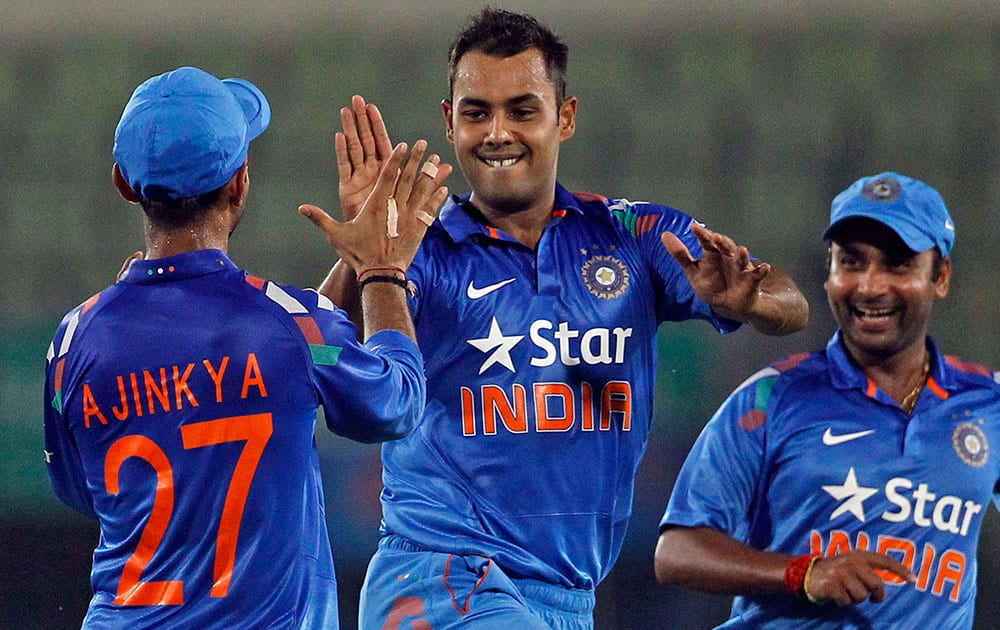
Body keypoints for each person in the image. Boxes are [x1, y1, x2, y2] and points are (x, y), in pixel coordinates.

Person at [321, 8, 809, 629]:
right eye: (477, 112)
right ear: (450, 122)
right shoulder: (421, 251)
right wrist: (362, 257)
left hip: (567, 599)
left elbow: (792, 305)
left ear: (565, 118)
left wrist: (750, 300)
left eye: (522, 110)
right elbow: (324, 360)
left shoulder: (631, 236)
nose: (498, 132)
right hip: (443, 579)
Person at [42, 65, 451, 628]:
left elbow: (83, 491)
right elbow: (394, 401)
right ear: (240, 183)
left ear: (122, 182)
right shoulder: (287, 326)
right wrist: (381, 268)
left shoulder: (73, 341)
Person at [655, 172, 999, 628]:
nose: (870, 286)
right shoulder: (771, 396)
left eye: (898, 264)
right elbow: (676, 551)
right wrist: (802, 573)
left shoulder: (988, 402)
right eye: (851, 262)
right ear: (830, 273)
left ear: (941, 276)